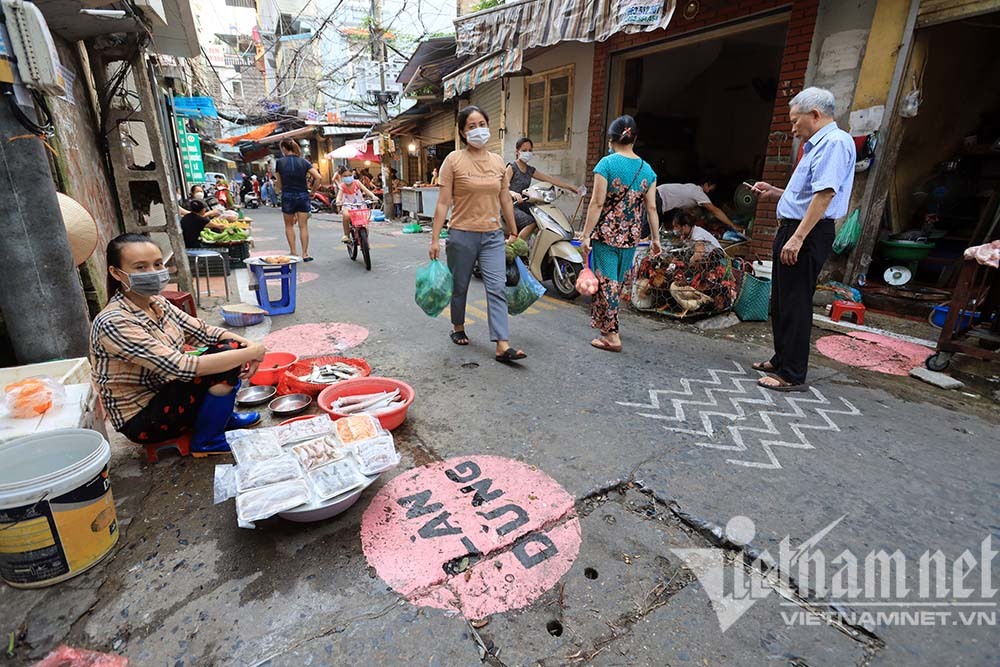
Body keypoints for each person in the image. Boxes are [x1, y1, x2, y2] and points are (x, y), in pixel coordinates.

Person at [90, 234, 267, 453]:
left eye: (157, 264)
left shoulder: (157, 303)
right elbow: (181, 367)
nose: (153, 273)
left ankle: (223, 418)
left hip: (167, 393)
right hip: (143, 418)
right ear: (116, 273)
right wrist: (249, 352)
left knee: (231, 348)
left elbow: (204, 332)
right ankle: (208, 441)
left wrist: (250, 347)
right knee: (227, 360)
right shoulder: (114, 322)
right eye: (140, 267)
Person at [751, 86, 856, 392]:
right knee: (782, 299)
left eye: (796, 121)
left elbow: (825, 196)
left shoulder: (834, 143)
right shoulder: (816, 146)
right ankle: (781, 358)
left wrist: (797, 238)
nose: (793, 128)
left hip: (807, 233)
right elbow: (809, 195)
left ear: (815, 114)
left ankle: (792, 373)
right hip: (797, 227)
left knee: (796, 301)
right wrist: (777, 193)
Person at [429, 105, 527, 364]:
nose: (478, 130)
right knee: (459, 286)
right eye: (471, 126)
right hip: (461, 234)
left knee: (496, 287)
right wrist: (434, 239)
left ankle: (502, 344)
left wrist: (513, 228)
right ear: (462, 132)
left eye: (481, 124)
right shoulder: (453, 160)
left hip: (493, 235)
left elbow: (504, 197)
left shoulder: (497, 162)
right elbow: (442, 202)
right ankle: (458, 326)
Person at [579, 115, 661, 352]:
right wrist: (655, 239)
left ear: (612, 139)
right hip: (631, 237)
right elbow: (652, 208)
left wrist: (585, 234)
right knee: (615, 283)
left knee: (607, 284)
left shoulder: (606, 164)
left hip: (605, 234)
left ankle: (612, 336)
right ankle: (608, 329)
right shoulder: (648, 170)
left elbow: (596, 203)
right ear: (634, 139)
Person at [505, 138, 586, 240]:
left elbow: (548, 179)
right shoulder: (512, 167)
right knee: (531, 223)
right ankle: (515, 247)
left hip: (524, 203)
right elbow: (503, 187)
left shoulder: (530, 170)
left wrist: (569, 187)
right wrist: (513, 193)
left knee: (544, 217)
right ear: (517, 152)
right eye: (524, 150)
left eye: (530, 150)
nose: (527, 153)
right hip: (510, 205)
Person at [275, 138, 322, 262]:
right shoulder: (304, 162)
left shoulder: (280, 162)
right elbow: (318, 177)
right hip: (302, 195)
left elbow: (279, 184)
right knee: (303, 226)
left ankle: (293, 252)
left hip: (287, 196)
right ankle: (305, 254)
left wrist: (278, 191)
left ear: (284, 148)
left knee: (289, 226)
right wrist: (312, 192)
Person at [655, 178, 741, 236]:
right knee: (647, 225)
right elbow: (715, 211)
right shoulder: (699, 193)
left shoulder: (693, 188)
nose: (712, 191)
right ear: (706, 185)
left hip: (660, 193)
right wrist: (733, 225)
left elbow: (686, 211)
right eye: (712, 188)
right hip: (659, 196)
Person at [336, 170, 378, 243]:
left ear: (352, 175)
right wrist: (338, 201)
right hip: (348, 205)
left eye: (349, 175)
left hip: (359, 204)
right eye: (345, 176)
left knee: (365, 224)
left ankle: (365, 242)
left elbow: (366, 190)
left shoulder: (357, 182)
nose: (347, 177)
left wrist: (373, 196)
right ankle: (346, 235)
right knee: (346, 216)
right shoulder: (342, 186)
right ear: (342, 177)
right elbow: (339, 196)